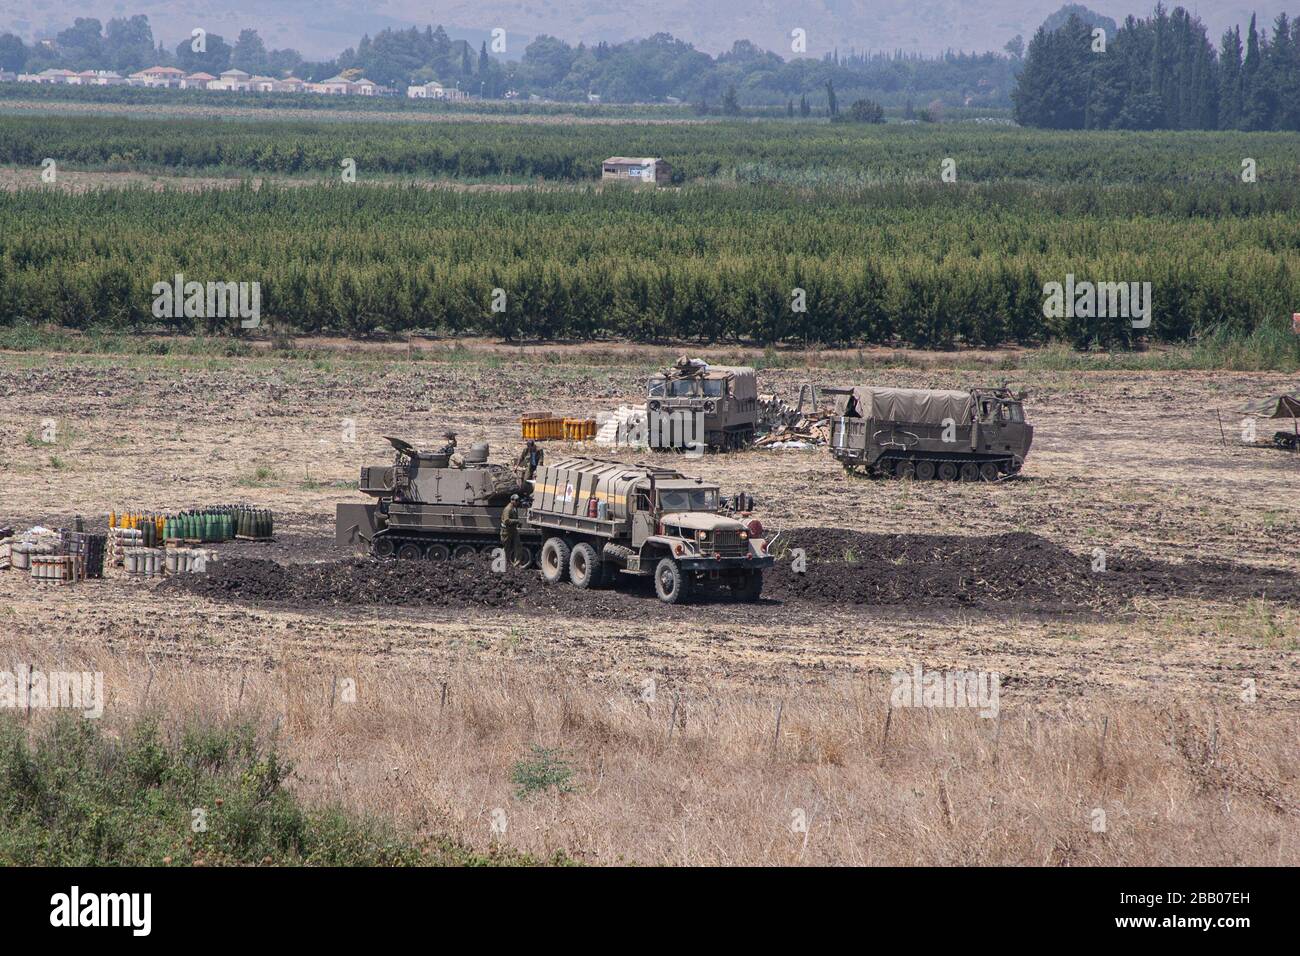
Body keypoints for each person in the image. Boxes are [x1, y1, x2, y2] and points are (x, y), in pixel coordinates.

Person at [500, 494, 523, 567]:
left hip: (513, 529)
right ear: (512, 500)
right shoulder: (508, 509)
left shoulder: (514, 508)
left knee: (518, 545)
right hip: (507, 530)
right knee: (507, 548)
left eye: (518, 500)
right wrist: (516, 521)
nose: (517, 502)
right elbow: (506, 520)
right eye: (516, 500)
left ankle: (517, 563)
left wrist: (517, 523)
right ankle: (504, 563)